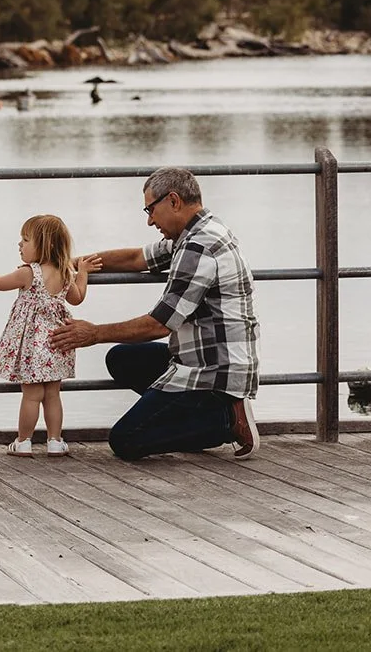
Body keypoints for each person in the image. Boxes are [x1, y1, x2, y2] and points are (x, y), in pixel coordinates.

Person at [49, 167, 261, 460]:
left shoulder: (198, 246)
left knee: (126, 440)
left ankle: (224, 420)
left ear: (173, 201)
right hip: (202, 357)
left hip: (212, 373)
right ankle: (195, 418)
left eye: (151, 210)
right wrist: (70, 264)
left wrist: (94, 333)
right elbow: (137, 258)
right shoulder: (194, 232)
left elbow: (160, 324)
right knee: (121, 359)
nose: (149, 221)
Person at [0, 215, 100, 457]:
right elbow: (77, 297)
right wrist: (82, 272)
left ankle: (23, 441)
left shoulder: (28, 273)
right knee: (53, 394)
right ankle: (55, 441)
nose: (20, 245)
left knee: (32, 396)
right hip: (57, 341)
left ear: (45, 245)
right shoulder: (65, 273)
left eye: (25, 240)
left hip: (32, 347)